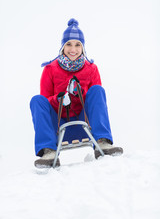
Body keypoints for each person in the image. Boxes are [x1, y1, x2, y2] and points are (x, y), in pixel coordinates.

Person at [30, 18, 123, 168]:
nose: (73, 49)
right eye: (69, 44)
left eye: (77, 44)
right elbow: (45, 102)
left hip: (84, 122)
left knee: (97, 90)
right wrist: (60, 99)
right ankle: (48, 151)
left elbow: (95, 100)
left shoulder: (91, 68)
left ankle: (103, 142)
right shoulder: (50, 69)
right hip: (59, 123)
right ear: (62, 46)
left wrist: (78, 94)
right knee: (36, 100)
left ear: (83, 47)